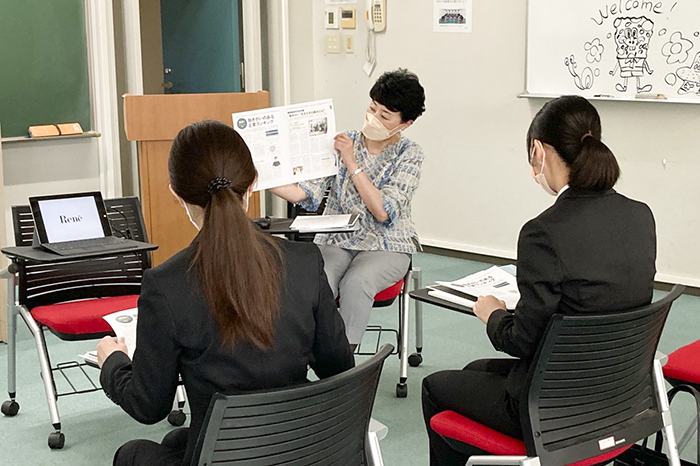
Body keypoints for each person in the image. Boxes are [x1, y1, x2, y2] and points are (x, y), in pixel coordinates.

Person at [96, 120, 355, 466]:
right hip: (302, 450)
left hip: (225, 454)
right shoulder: (305, 261)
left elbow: (149, 405)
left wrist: (112, 361)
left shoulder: (166, 284)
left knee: (132, 454)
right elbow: (338, 367)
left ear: (176, 193)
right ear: (253, 186)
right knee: (177, 439)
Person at [421, 95, 657, 466]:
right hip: (617, 394)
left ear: (538, 150)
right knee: (472, 373)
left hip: (551, 411)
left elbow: (520, 341)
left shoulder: (543, 232)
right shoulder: (640, 216)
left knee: (435, 386)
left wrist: (493, 314)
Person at [271, 68, 426, 348]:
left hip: (387, 244)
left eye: (385, 115)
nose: (374, 118)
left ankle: (343, 361)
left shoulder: (409, 154)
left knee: (357, 283)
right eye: (372, 108)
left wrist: (352, 163)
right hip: (336, 239)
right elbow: (306, 194)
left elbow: (383, 211)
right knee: (317, 280)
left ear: (406, 123)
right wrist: (261, 178)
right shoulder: (343, 141)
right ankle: (302, 352)